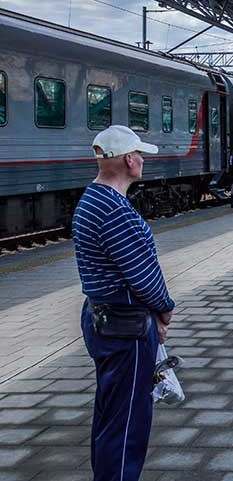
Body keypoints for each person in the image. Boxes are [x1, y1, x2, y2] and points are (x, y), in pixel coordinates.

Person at [74, 125, 175, 481]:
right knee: (129, 422)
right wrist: (164, 309)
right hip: (125, 325)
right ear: (129, 160)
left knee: (111, 416)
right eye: (141, 155)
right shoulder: (114, 210)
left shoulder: (92, 199)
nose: (144, 160)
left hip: (105, 319)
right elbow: (143, 274)